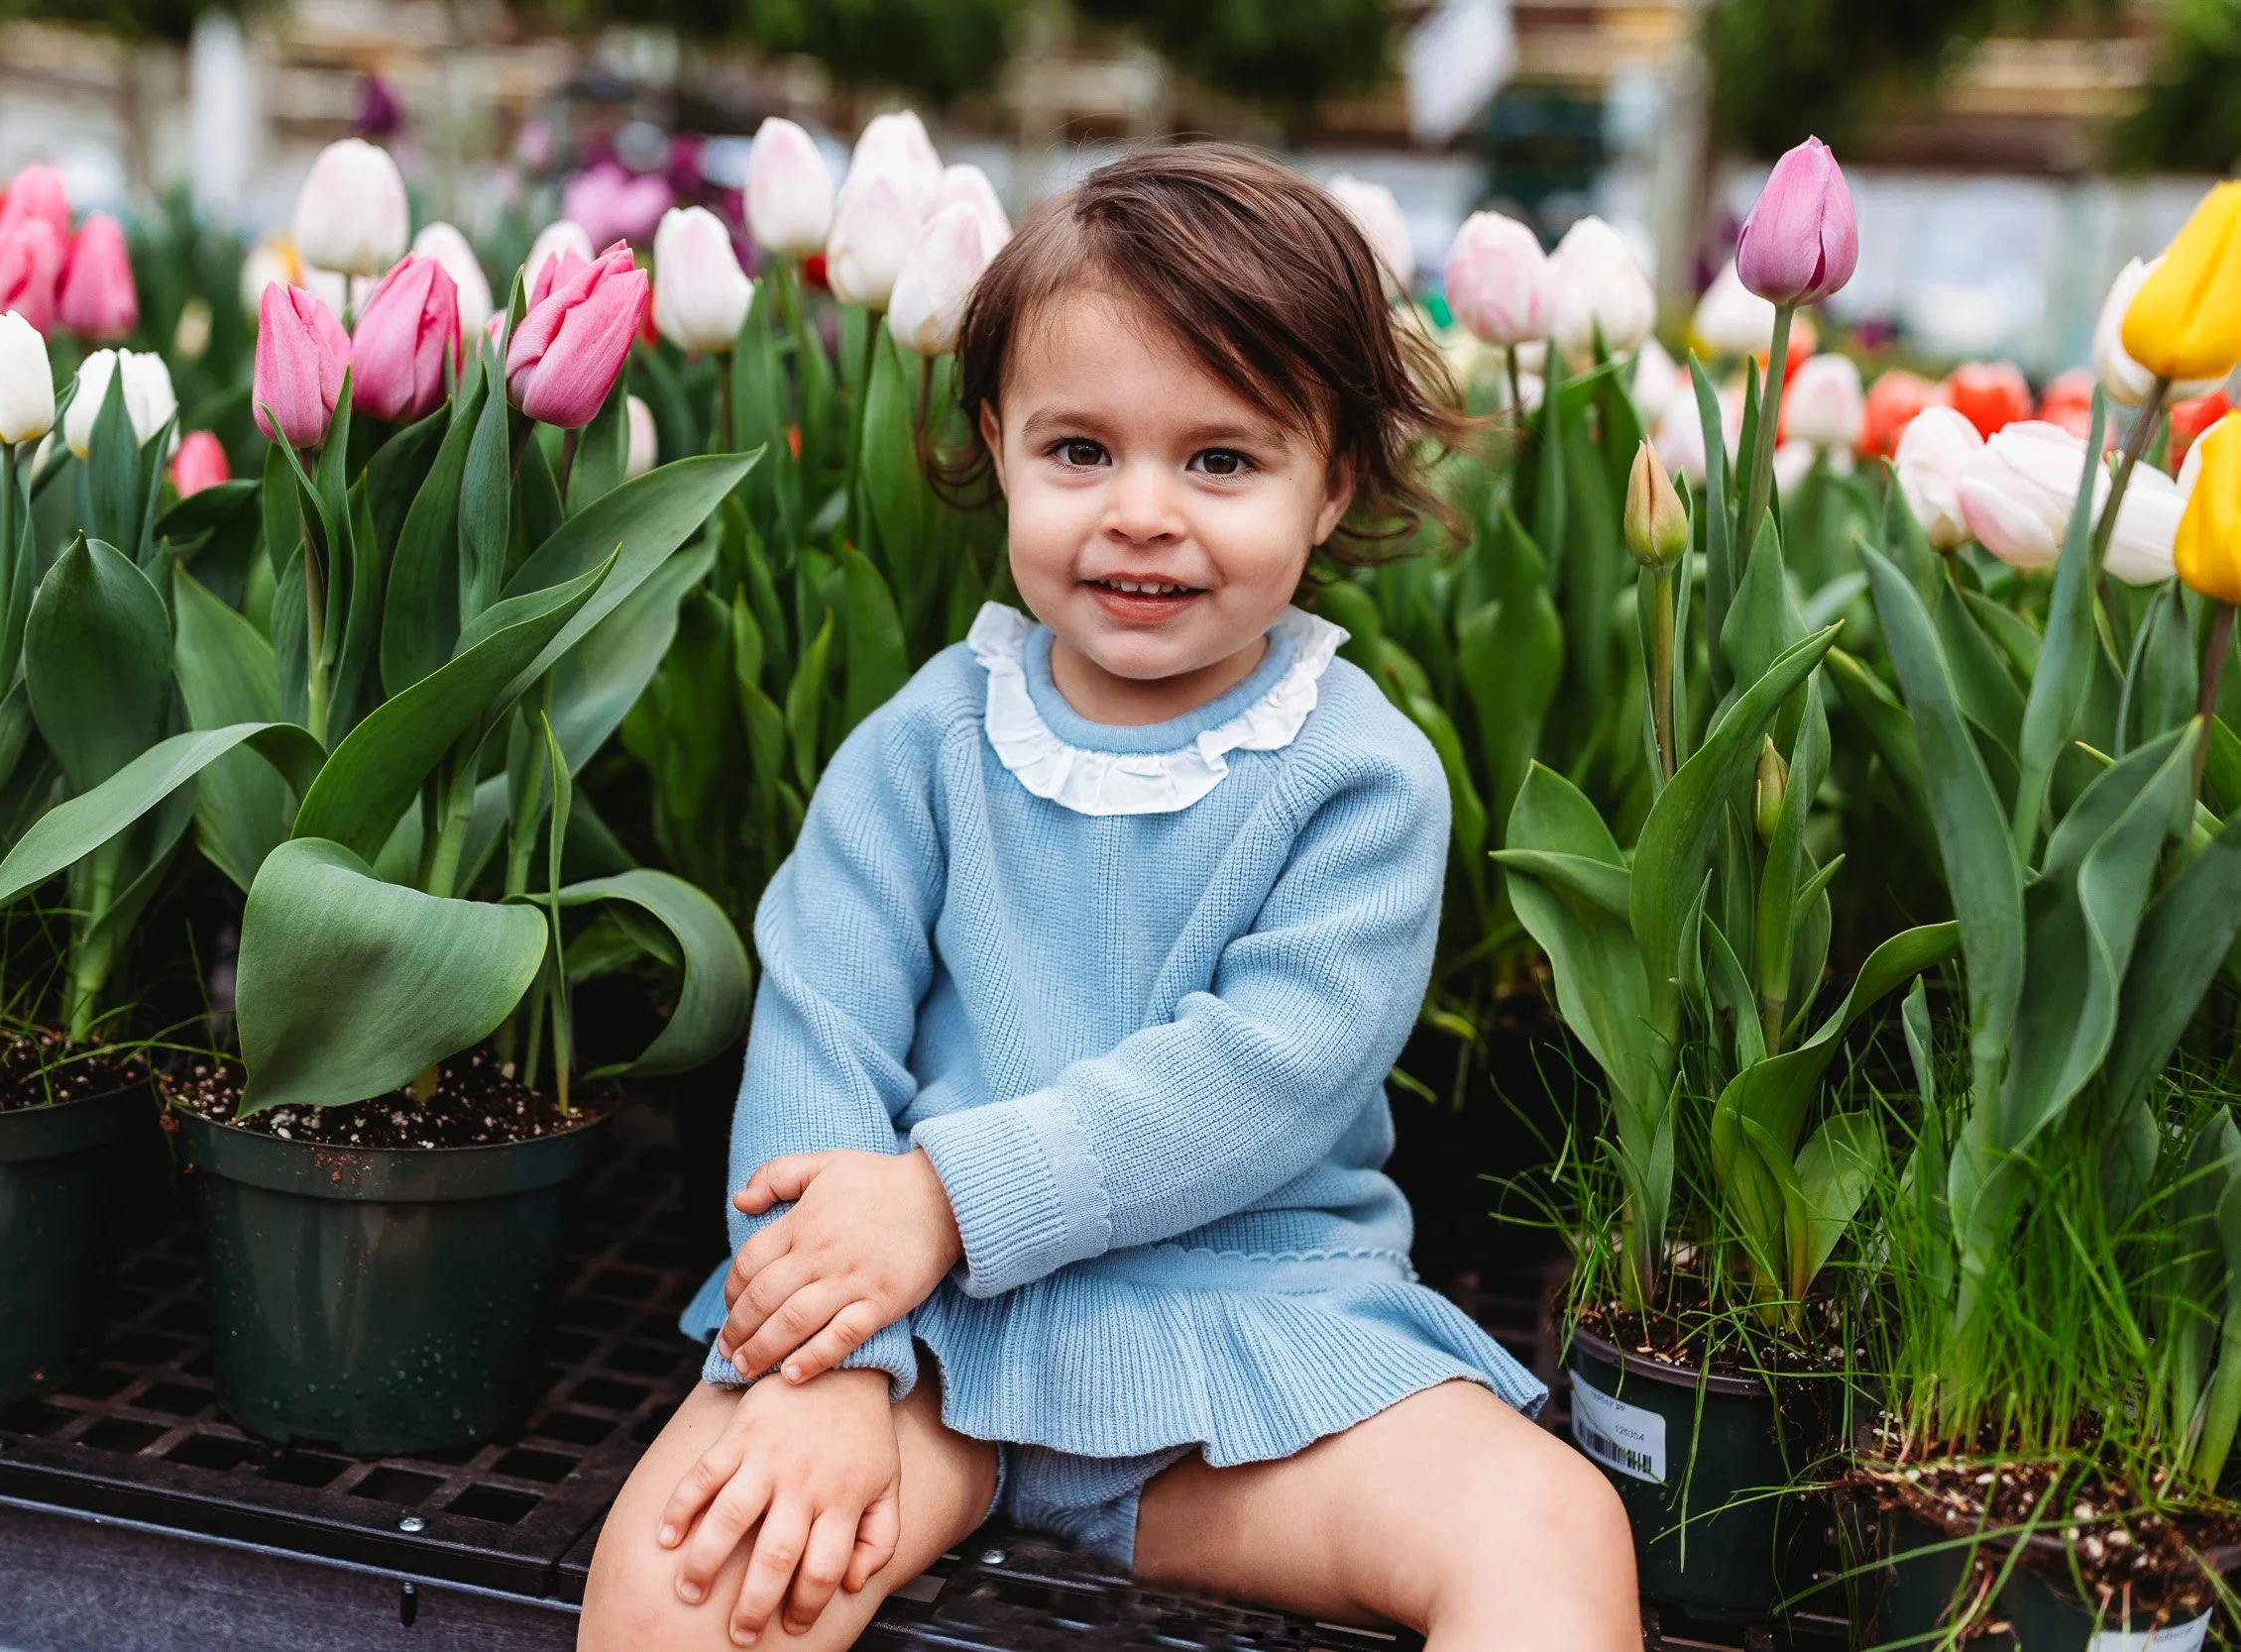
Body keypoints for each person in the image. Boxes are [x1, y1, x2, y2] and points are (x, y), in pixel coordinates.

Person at [578, 143, 1637, 1652]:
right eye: (1082, 450)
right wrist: (829, 1366)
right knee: (698, 1567)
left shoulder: (1358, 776)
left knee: (1549, 1525)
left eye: (1222, 459)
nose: (1142, 511)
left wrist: (953, 1197)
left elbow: (1258, 1075)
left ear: (1331, 483)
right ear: (1001, 445)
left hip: (1247, 1342)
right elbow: (819, 1023)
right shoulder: (928, 745)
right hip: (925, 1345)